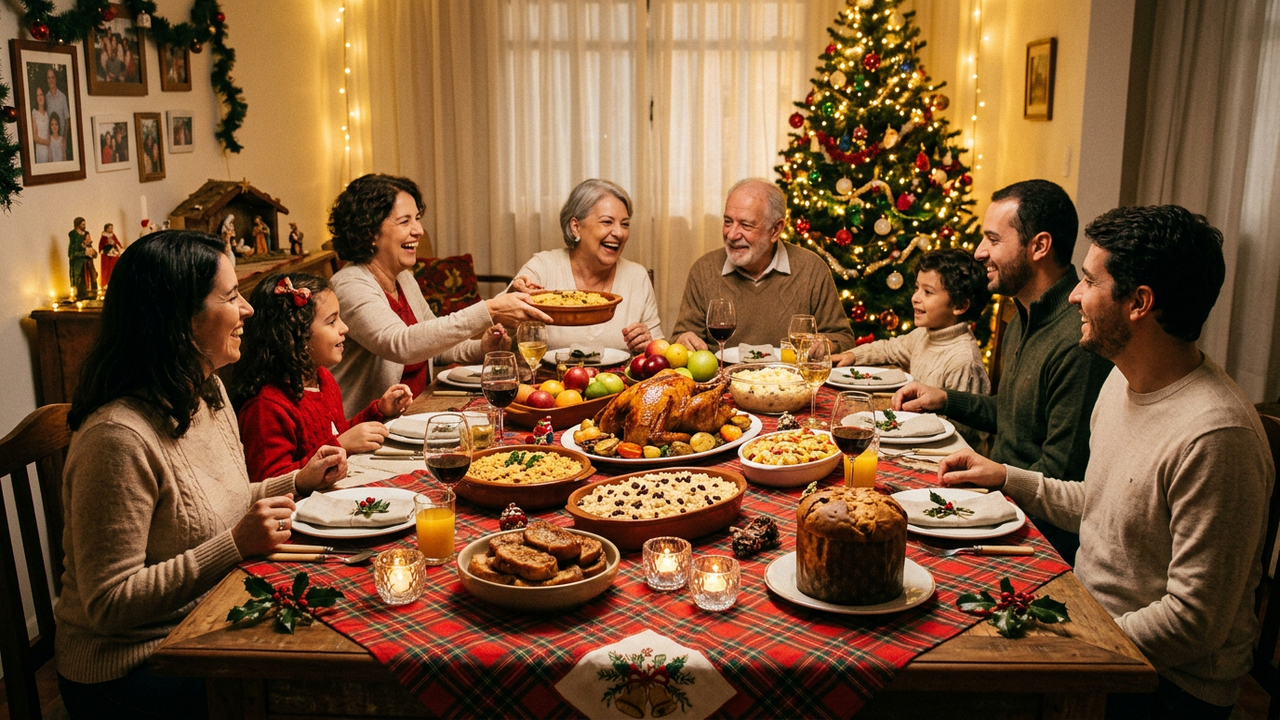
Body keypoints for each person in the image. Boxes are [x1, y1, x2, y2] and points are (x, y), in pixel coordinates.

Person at [936, 205, 1274, 719]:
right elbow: (1102, 504)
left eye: (1090, 281)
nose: (1073, 294)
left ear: (1139, 303)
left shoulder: (1215, 436)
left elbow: (1193, 623)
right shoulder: (1122, 378)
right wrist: (1006, 477)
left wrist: (1064, 639)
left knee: (942, 693)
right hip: (1091, 624)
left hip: (1162, 686)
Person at [56, 231, 347, 719]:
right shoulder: (117, 438)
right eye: (232, 297)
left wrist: (298, 481)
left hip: (209, 618)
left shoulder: (205, 389)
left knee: (343, 616)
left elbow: (216, 499)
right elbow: (108, 603)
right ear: (179, 319)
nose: (248, 310)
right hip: (131, 670)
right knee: (322, 686)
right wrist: (234, 545)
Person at [892, 180, 1112, 564]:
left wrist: (991, 483)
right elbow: (1014, 415)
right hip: (998, 500)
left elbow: (1061, 481)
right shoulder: (1021, 313)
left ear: (1039, 247)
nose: (979, 253)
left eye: (993, 240)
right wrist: (945, 399)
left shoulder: (1077, 341)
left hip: (1029, 536)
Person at [328, 173, 552, 417]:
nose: (419, 231)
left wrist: (481, 347)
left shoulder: (402, 277)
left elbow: (433, 345)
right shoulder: (349, 285)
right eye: (405, 221)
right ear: (370, 232)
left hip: (417, 412)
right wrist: (490, 310)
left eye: (417, 219)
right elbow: (400, 344)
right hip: (369, 427)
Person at [231, 273, 413, 482]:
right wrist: (340, 446)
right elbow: (270, 483)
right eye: (332, 321)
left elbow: (335, 433)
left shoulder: (322, 378)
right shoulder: (266, 407)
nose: (344, 328)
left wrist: (378, 411)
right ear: (295, 333)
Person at [672, 178, 856, 352]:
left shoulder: (811, 269)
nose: (731, 235)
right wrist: (684, 341)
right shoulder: (704, 270)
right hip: (723, 382)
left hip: (790, 383)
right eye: (728, 222)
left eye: (746, 225)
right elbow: (680, 341)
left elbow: (843, 339)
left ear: (775, 230)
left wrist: (826, 345)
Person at [511, 179, 663, 353]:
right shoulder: (542, 268)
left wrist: (648, 344)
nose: (619, 233)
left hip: (619, 380)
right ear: (576, 227)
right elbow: (497, 331)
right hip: (548, 380)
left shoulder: (637, 276)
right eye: (607, 222)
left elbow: (660, 353)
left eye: (625, 224)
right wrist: (514, 294)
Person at [833, 248, 991, 395]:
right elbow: (889, 349)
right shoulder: (924, 334)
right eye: (917, 288)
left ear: (960, 305)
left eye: (928, 292)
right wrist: (853, 356)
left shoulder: (963, 363)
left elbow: (961, 423)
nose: (915, 298)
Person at [44, 68, 70, 148]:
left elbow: (67, 120)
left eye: (53, 77)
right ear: (47, 80)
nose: (51, 80)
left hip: (61, 139)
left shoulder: (62, 97)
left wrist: (64, 139)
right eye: (49, 78)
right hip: (50, 140)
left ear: (55, 79)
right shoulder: (45, 98)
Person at [68, 217, 93, 298]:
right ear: (78, 225)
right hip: (78, 260)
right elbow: (73, 250)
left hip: (86, 259)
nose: (85, 226)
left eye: (85, 224)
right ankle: (78, 294)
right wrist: (83, 252)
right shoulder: (73, 234)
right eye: (83, 224)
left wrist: (90, 250)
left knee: (88, 276)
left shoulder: (86, 233)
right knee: (78, 277)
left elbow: (89, 244)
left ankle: (88, 292)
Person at [30, 85, 49, 163]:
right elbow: (35, 137)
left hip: (51, 150)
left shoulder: (48, 112)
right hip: (41, 150)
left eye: (41, 94)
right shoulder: (34, 113)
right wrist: (47, 142)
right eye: (37, 95)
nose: (40, 97)